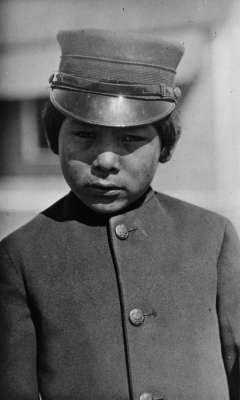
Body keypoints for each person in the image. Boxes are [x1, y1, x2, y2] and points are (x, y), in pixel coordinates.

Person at [0, 29, 240, 400]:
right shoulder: (20, 256)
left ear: (165, 145)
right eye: (83, 135)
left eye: (130, 139)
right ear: (52, 137)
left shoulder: (211, 237)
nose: (106, 161)